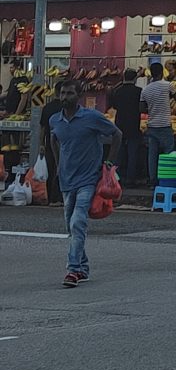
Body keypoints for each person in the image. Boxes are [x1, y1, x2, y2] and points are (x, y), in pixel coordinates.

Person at [49, 78, 121, 289]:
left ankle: (72, 270)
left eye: (70, 93)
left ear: (78, 96)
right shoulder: (56, 120)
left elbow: (117, 134)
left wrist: (109, 162)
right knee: (71, 228)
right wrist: (58, 164)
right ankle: (83, 267)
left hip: (89, 179)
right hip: (66, 180)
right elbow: (53, 139)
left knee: (77, 223)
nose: (65, 97)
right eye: (62, 93)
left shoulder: (92, 117)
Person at [140, 60, 176, 185]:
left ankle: (152, 180)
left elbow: (142, 109)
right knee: (169, 153)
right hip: (165, 125)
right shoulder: (168, 85)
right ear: (162, 72)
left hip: (152, 125)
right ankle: (168, 179)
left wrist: (152, 108)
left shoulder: (145, 90)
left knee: (152, 155)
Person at [108, 68, 145, 186]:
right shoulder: (139, 91)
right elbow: (142, 107)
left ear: (124, 77)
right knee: (132, 153)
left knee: (119, 153)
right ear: (135, 79)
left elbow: (114, 106)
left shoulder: (117, 91)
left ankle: (118, 178)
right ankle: (130, 179)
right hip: (134, 124)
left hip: (119, 124)